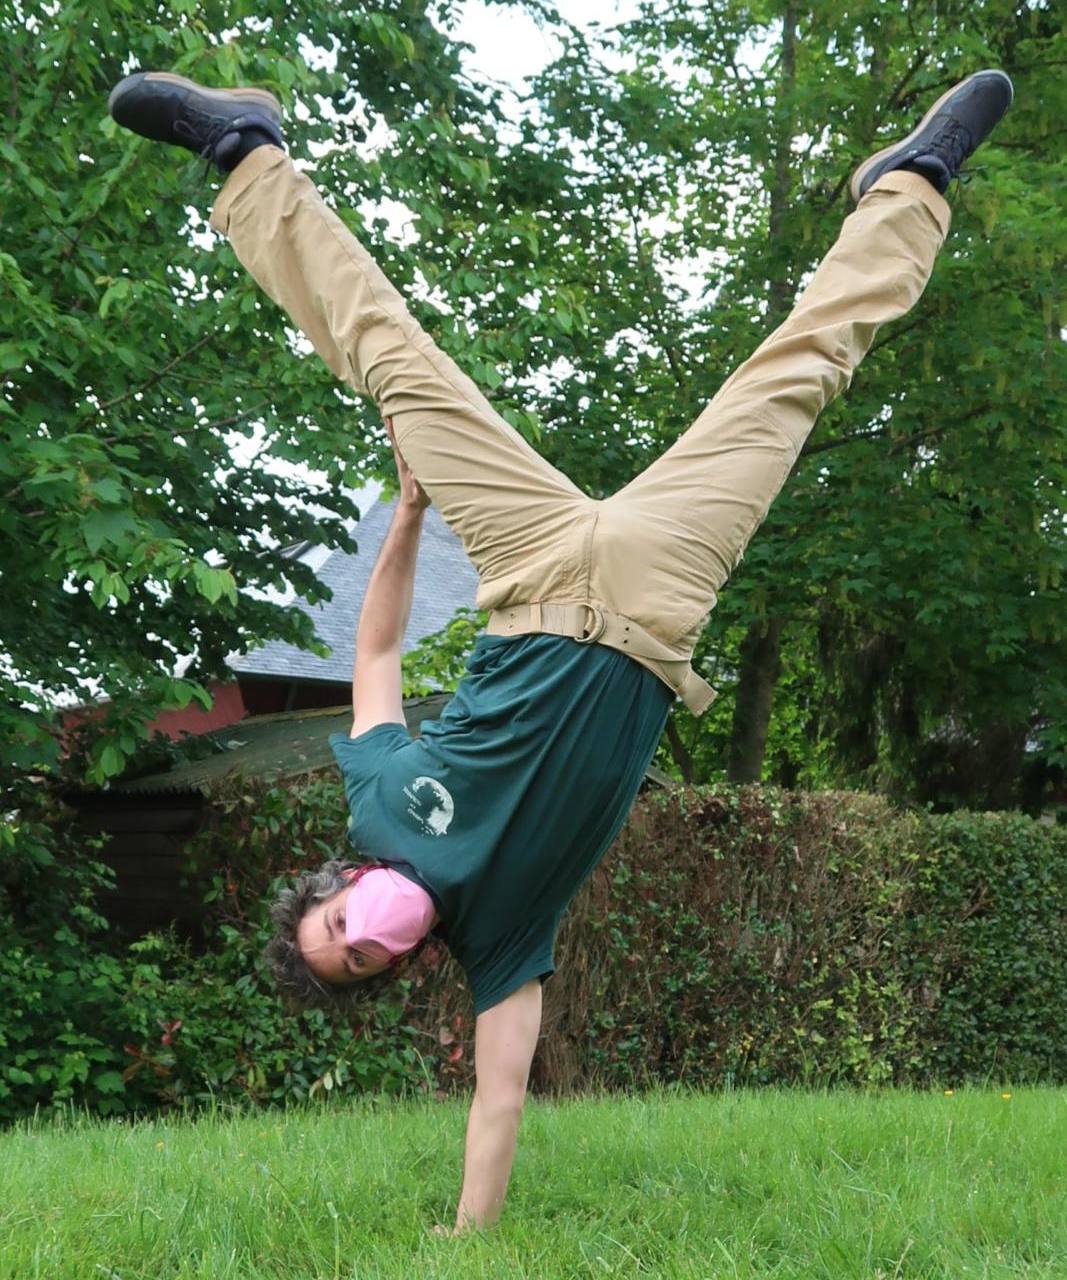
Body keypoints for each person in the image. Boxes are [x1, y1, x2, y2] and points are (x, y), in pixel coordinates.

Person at [108, 66, 1013, 1232]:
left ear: (336, 888)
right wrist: (466, 1230)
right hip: (653, 593)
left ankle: (244, 154)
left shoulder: (379, 808)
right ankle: (908, 186)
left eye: (340, 930)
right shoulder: (500, 944)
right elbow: (497, 1095)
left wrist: (407, 518)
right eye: (362, 967)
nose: (367, 942)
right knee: (798, 376)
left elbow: (374, 658)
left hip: (526, 566)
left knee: (392, 363)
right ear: (391, 977)